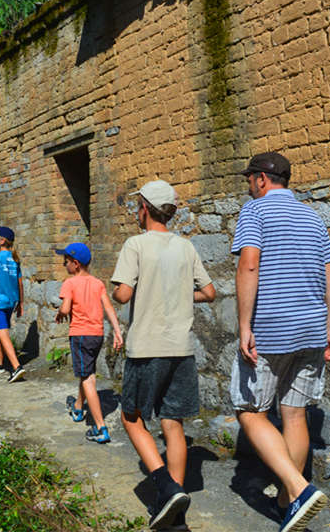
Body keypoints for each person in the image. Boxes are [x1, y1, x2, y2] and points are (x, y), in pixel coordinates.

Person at [229, 152, 330, 532]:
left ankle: (297, 488)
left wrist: (245, 325)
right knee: (294, 414)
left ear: (262, 180)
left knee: (249, 411)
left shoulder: (255, 211)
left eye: (251, 179)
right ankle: (286, 502)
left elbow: (249, 263)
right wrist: (329, 328)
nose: (249, 185)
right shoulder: (313, 217)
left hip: (272, 330)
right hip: (311, 330)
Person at [110, 180, 216, 530]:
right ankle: (177, 516)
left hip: (147, 348)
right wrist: (182, 296)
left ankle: (164, 485)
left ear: (144, 208)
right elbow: (209, 292)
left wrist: (118, 289)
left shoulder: (136, 245)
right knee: (173, 423)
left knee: (131, 417)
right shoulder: (186, 248)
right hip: (181, 349)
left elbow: (123, 295)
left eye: (136, 206)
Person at [54, 242, 124, 444]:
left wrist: (60, 312)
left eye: (65, 261)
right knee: (87, 371)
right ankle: (78, 406)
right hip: (97, 334)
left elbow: (66, 309)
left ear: (75, 264)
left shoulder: (70, 283)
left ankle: (100, 427)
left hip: (80, 334)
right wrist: (117, 330)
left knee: (88, 378)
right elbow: (109, 307)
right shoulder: (97, 283)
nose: (64, 264)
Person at [0, 226, 26, 383]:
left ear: (2, 240)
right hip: (12, 301)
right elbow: (20, 282)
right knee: (3, 330)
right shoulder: (15, 259)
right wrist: (21, 302)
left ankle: (16, 367)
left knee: (2, 331)